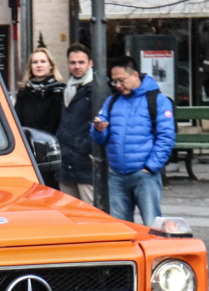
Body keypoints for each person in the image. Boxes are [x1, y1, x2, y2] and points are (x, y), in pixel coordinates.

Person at [91, 55, 176, 224]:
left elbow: (166, 137)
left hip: (144, 175)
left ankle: (156, 251)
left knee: (152, 224)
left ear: (135, 75)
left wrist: (151, 167)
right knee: (121, 227)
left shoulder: (158, 101)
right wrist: (98, 129)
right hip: (117, 175)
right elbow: (99, 138)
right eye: (114, 82)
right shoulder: (112, 101)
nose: (118, 86)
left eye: (121, 80)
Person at [56, 43, 95, 203]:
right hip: (66, 163)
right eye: (73, 63)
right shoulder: (66, 89)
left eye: (81, 62)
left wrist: (85, 147)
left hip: (86, 164)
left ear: (90, 63)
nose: (77, 66)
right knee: (69, 217)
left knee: (91, 217)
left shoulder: (97, 89)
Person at [14, 48, 64, 135]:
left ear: (51, 65)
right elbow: (17, 120)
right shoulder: (24, 92)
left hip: (49, 141)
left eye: (43, 61)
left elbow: (55, 123)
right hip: (26, 141)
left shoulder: (58, 91)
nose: (39, 65)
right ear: (31, 67)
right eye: (35, 62)